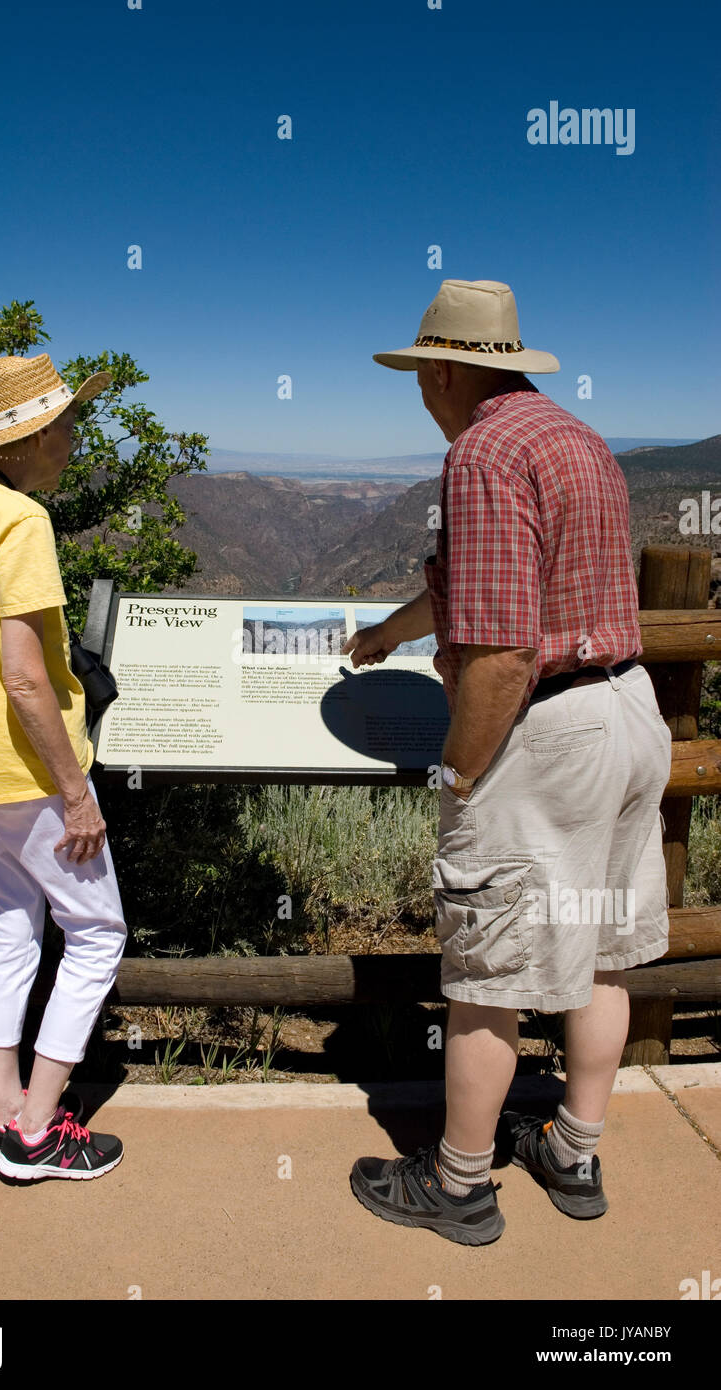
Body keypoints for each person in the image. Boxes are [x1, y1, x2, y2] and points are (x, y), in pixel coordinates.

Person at [343, 280, 672, 1244]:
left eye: (419, 374)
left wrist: (459, 775)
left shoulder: (480, 456)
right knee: (603, 948)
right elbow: (491, 591)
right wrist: (390, 634)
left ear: (444, 369)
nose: (419, 391)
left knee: (487, 969)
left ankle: (457, 1185)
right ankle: (572, 1151)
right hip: (628, 710)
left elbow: (504, 654)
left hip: (549, 733)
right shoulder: (575, 441)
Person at [0, 353, 127, 1181]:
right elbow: (23, 672)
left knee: (11, 926)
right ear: (32, 437)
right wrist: (75, 792)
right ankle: (38, 1129)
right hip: (36, 775)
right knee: (97, 935)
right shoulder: (20, 522)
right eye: (69, 423)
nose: (77, 436)